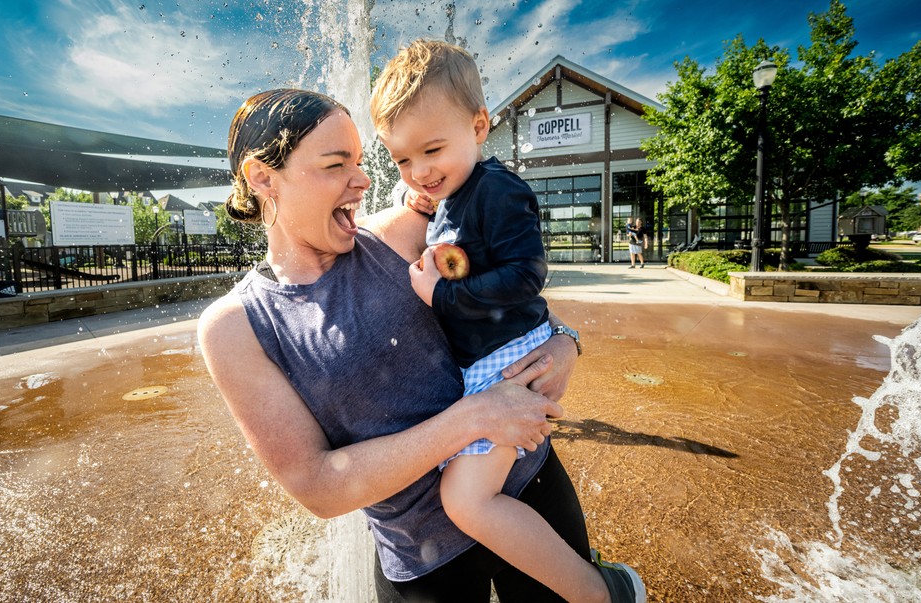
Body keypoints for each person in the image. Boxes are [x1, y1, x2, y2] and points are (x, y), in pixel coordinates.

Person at [198, 89, 640, 602]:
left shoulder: (399, 234)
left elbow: (507, 303)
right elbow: (318, 484)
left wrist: (565, 340)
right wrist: (471, 419)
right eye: (336, 164)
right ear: (262, 178)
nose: (363, 181)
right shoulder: (237, 326)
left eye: (361, 162)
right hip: (421, 556)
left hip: (526, 492)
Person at [371, 39, 644, 603]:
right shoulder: (451, 191)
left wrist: (441, 296)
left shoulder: (497, 188)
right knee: (468, 492)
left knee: (466, 501)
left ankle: (602, 592)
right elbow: (438, 202)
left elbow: (527, 276)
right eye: (402, 160)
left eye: (432, 150)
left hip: (505, 362)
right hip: (487, 366)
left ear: (478, 126)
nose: (420, 171)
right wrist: (419, 193)